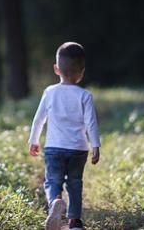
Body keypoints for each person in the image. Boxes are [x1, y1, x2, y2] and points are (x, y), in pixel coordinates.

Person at [28, 42, 101, 230]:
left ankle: (55, 202)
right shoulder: (85, 96)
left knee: (53, 181)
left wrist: (34, 140)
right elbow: (91, 123)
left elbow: (39, 120)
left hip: (54, 148)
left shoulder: (50, 92)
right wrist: (96, 146)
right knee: (75, 183)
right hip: (78, 149)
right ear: (82, 72)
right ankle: (74, 222)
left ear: (56, 69)